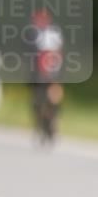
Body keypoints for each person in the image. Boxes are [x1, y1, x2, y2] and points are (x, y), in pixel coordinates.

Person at [29, 8, 65, 141]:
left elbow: (58, 53)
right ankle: (41, 124)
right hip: (40, 72)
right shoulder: (34, 33)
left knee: (53, 98)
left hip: (50, 70)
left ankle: (52, 122)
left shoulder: (51, 33)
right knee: (38, 100)